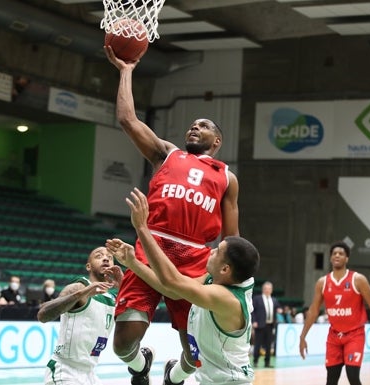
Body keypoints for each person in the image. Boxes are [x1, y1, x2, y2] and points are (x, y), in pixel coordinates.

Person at [105, 45, 240, 385]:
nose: (194, 128)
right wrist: (126, 71)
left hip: (195, 260)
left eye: (203, 126)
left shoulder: (226, 177)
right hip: (151, 247)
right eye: (192, 125)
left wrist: (231, 281)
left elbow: (232, 239)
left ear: (217, 140)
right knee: (122, 345)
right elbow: (127, 119)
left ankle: (174, 377)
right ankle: (140, 365)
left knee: (196, 355)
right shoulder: (167, 154)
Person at [106, 187, 258, 385]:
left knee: (190, 357)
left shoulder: (225, 298)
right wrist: (133, 263)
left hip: (228, 382)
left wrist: (142, 228)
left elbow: (172, 280)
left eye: (217, 251)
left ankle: (173, 377)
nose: (211, 251)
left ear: (225, 269)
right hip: (214, 381)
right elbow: (172, 291)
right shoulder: (227, 278)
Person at [299, 241, 370, 385]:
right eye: (334, 253)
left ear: (347, 259)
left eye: (341, 253)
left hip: (354, 334)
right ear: (331, 258)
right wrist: (303, 336)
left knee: (352, 376)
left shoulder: (358, 280)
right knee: (331, 379)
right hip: (334, 336)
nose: (337, 255)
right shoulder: (322, 282)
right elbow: (313, 311)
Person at [38, 247, 123, 385]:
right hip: (65, 371)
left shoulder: (114, 298)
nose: (106, 258)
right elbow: (42, 315)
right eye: (99, 256)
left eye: (110, 257)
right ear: (88, 266)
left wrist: (123, 288)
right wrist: (80, 294)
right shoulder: (79, 287)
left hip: (90, 373)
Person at [251, 281, 281, 368]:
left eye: (269, 289)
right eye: (266, 289)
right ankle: (255, 361)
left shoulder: (274, 300)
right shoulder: (257, 299)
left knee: (268, 345)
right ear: (263, 289)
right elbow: (252, 311)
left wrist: (279, 309)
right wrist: (254, 321)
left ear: (271, 290)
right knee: (258, 344)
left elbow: (278, 307)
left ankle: (267, 362)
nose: (268, 290)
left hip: (270, 325)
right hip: (260, 325)